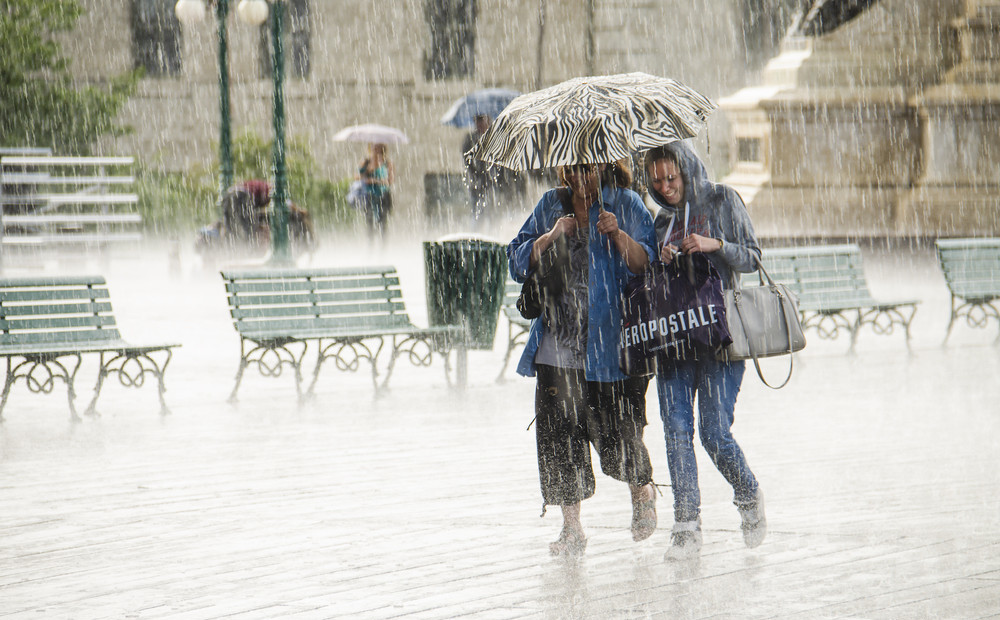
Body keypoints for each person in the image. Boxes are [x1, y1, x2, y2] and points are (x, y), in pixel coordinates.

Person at [507, 159, 658, 556]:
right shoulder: (550, 205)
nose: (578, 178)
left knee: (619, 433)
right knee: (559, 438)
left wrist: (619, 235)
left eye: (587, 169)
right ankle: (571, 528)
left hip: (610, 346)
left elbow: (649, 264)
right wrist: (552, 234)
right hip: (557, 344)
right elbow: (516, 260)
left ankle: (641, 493)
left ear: (604, 166)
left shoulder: (625, 203)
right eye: (571, 169)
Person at [643, 141, 767, 560]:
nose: (665, 188)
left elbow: (752, 257)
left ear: (686, 169)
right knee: (676, 430)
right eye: (657, 181)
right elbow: (654, 280)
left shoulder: (722, 199)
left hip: (720, 339)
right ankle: (686, 525)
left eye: (671, 178)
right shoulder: (661, 221)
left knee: (714, 433)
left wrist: (715, 245)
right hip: (676, 340)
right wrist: (662, 259)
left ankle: (748, 494)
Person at [463, 114, 498, 226]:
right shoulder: (471, 138)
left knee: (493, 209)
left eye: (482, 121)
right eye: (478, 122)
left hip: (493, 181)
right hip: (477, 181)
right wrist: (475, 174)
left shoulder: (494, 138)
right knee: (478, 210)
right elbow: (467, 159)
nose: (480, 125)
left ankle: (493, 228)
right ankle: (477, 231)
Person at [357, 143, 394, 240]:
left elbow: (390, 181)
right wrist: (369, 170)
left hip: (383, 196)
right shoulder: (366, 162)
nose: (376, 150)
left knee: (383, 223)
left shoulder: (387, 163)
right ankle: (371, 246)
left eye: (378, 148)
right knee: (369, 222)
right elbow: (357, 177)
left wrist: (377, 181)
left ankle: (383, 247)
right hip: (369, 196)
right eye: (374, 148)